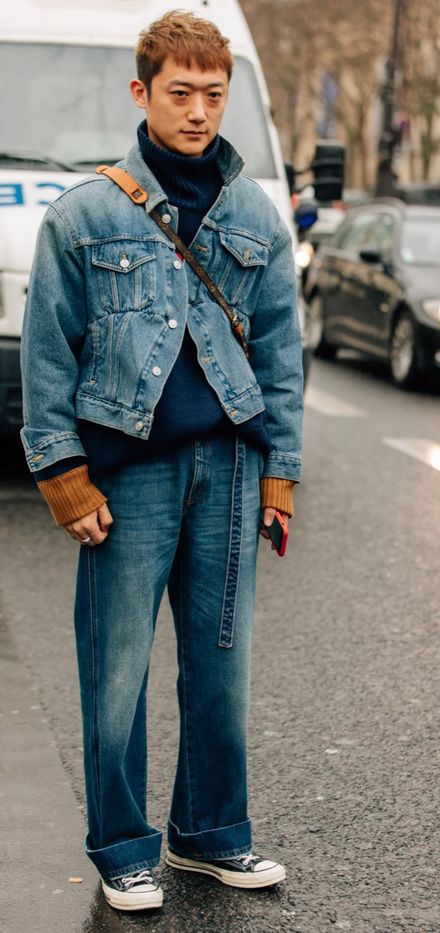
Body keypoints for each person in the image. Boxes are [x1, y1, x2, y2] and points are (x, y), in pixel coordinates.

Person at [20, 11, 303, 913]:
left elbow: (280, 356)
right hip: (128, 469)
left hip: (226, 467)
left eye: (213, 95)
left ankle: (212, 835)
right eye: (180, 93)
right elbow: (47, 352)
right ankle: (122, 847)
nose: (197, 111)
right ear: (141, 93)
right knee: (117, 671)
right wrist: (62, 473)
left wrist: (279, 474)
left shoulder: (253, 212)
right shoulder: (87, 212)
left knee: (222, 667)